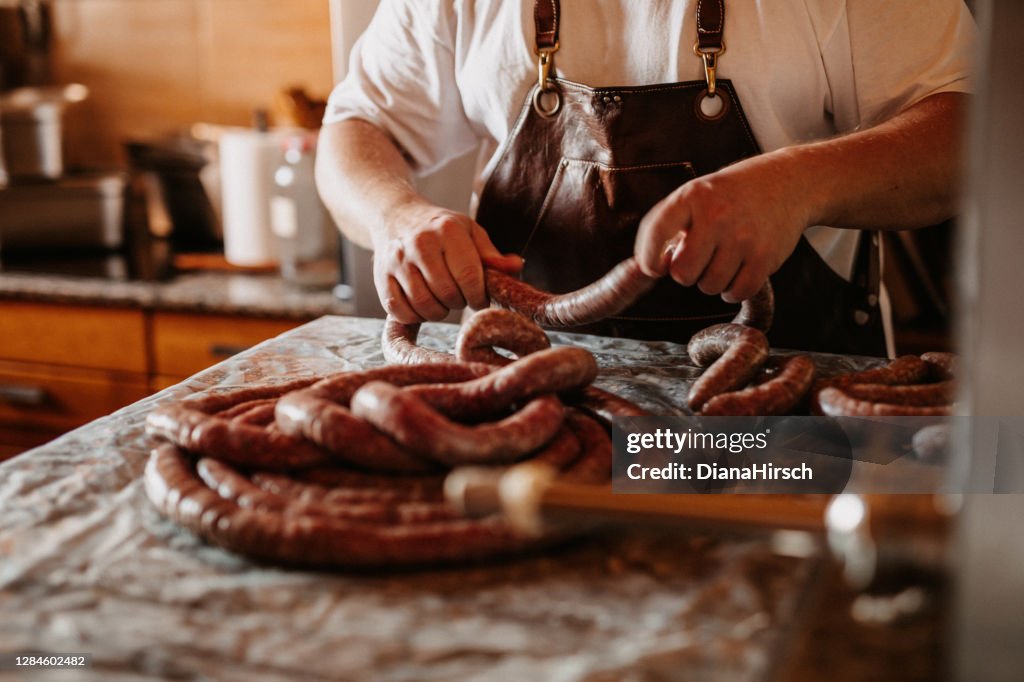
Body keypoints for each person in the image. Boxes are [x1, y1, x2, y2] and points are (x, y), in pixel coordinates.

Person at [316, 0, 974, 356]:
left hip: (787, 429)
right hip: (533, 414)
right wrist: (395, 215)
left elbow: (973, 133)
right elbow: (355, 128)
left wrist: (799, 184)